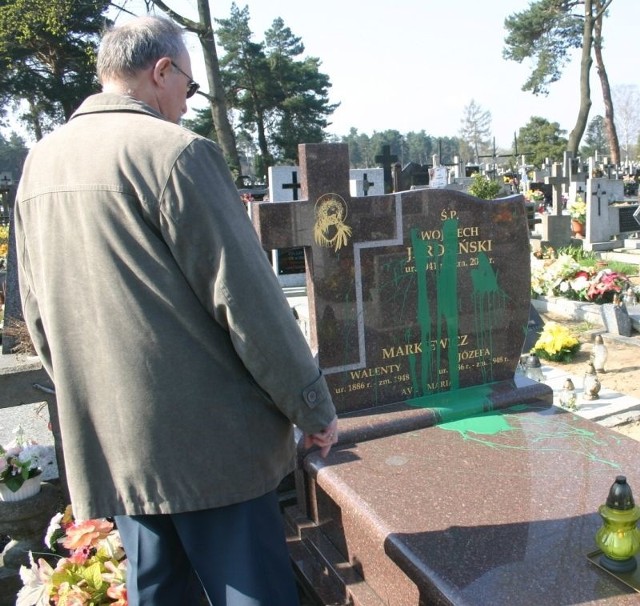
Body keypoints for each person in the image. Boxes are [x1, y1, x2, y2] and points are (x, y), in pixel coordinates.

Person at [14, 16, 337, 606]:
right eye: (188, 89)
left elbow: (37, 312)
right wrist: (311, 403)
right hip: (213, 451)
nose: (186, 106)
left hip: (120, 447)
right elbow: (249, 302)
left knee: (159, 593)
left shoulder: (42, 162)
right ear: (161, 71)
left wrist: (93, 405)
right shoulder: (176, 153)